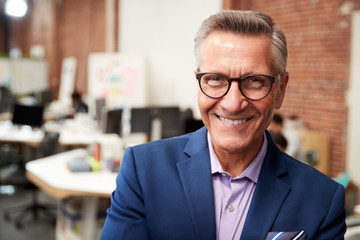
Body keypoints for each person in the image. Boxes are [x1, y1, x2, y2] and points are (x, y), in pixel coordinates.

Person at [100, 10, 346, 240]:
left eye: (254, 81)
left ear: (280, 89)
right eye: (215, 79)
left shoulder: (322, 199)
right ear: (198, 83)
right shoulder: (143, 170)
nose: (233, 103)